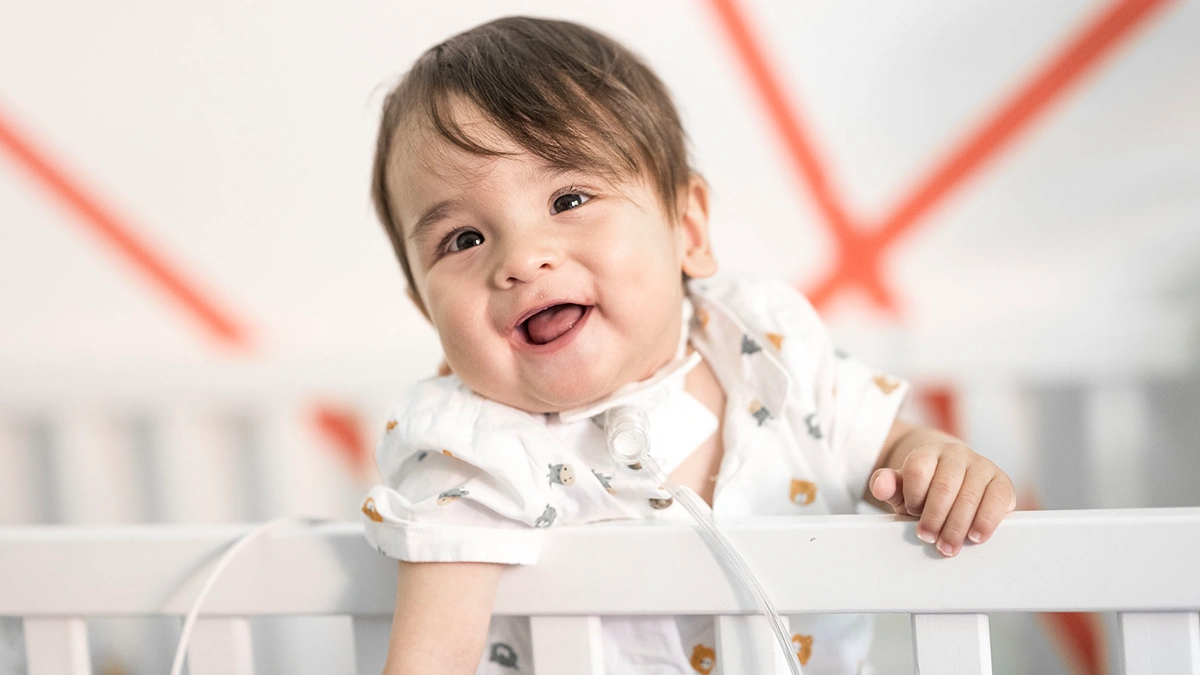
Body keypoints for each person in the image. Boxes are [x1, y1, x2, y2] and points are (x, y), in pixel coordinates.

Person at [360, 16, 1015, 675]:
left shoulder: (766, 346)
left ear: (688, 228)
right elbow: (430, 659)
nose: (522, 259)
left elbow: (893, 448)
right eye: (464, 240)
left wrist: (937, 464)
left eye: (569, 197)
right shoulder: (477, 454)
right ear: (426, 309)